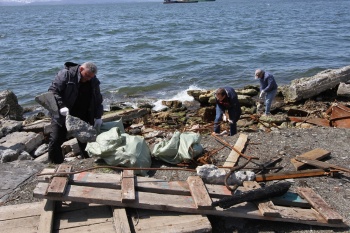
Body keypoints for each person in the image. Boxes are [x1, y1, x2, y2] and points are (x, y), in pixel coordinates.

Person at [48, 62, 103, 164]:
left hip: (83, 115)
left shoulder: (93, 81)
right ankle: (54, 164)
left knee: (86, 142)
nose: (88, 79)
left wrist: (98, 116)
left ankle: (89, 163)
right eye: (87, 75)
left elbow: (98, 100)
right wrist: (62, 106)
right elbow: (53, 91)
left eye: (91, 77)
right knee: (55, 140)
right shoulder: (66, 74)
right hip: (63, 114)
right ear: (81, 69)